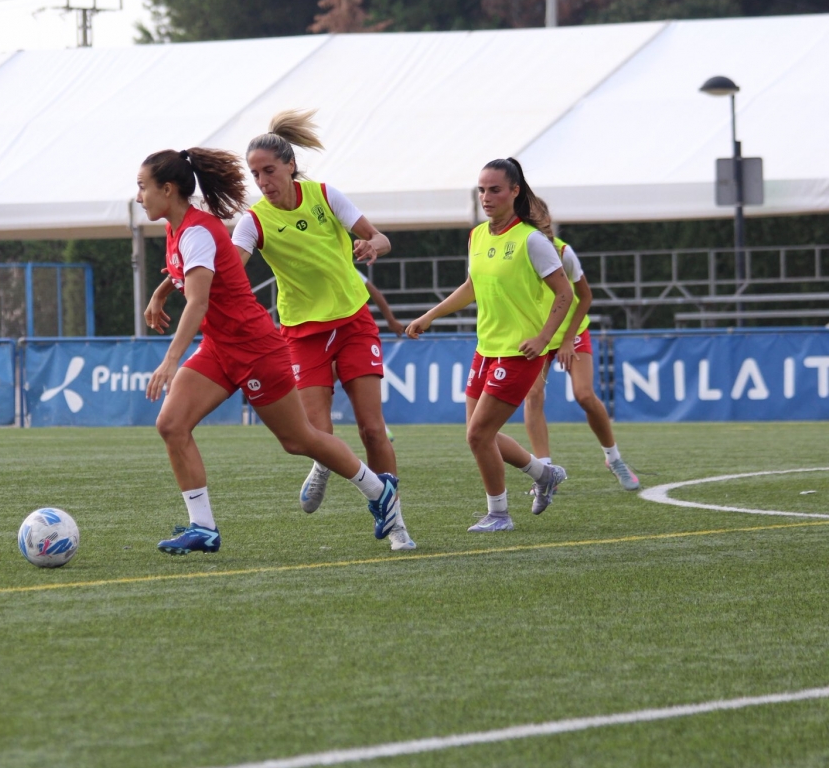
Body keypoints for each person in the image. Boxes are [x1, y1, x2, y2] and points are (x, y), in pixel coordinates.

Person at [137, 146, 400, 555]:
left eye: (143, 187)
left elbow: (199, 301)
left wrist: (171, 359)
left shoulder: (196, 231)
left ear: (167, 189)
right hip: (221, 348)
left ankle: (379, 490)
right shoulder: (180, 230)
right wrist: (157, 294)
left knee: (300, 439)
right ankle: (202, 527)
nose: (139, 197)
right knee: (171, 424)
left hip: (256, 348)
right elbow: (190, 277)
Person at [233, 110, 414, 551]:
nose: (263, 181)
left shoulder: (326, 196)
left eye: (269, 171)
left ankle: (397, 526)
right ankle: (322, 464)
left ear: (290, 165)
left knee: (373, 428)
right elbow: (227, 272)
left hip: (353, 322)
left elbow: (381, 239)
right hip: (302, 334)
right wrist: (173, 283)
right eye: (256, 174)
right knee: (316, 435)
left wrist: (373, 244)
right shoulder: (253, 221)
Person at [405, 158, 573, 532]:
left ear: (515, 191)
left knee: (478, 435)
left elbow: (565, 292)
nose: (486, 196)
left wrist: (544, 338)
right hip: (486, 350)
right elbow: (471, 287)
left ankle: (499, 514)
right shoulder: (478, 235)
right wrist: (430, 315)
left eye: (495, 189)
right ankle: (544, 474)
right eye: (481, 189)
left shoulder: (531, 239)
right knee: (483, 435)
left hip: (519, 354)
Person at [522, 230, 640, 491]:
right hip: (537, 333)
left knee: (584, 395)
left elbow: (585, 296)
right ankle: (546, 471)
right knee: (533, 394)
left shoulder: (563, 253)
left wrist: (567, 340)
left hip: (570, 332)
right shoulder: (517, 249)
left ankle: (614, 459)